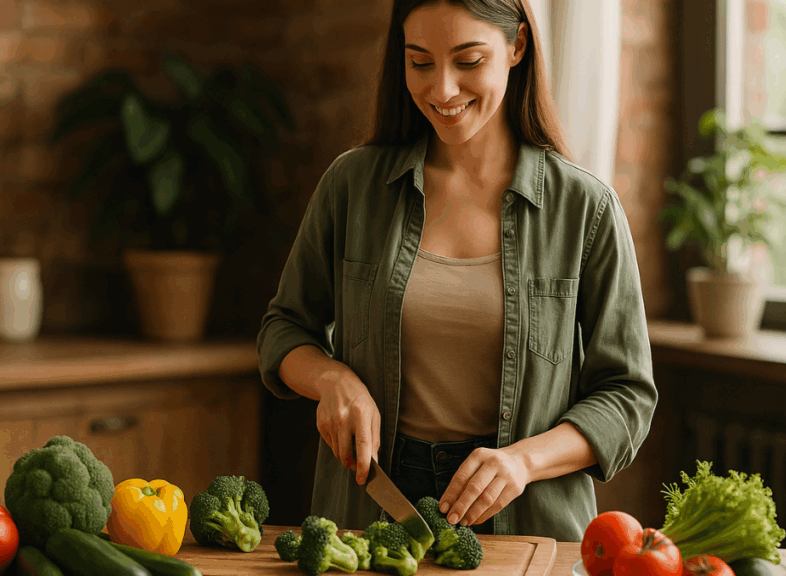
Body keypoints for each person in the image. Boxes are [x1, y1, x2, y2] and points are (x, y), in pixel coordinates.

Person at [257, 0, 656, 542]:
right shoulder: (351, 187)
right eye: (420, 63)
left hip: (526, 518)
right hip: (370, 513)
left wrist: (524, 462)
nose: (442, 90)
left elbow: (627, 397)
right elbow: (283, 330)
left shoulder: (587, 210)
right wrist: (332, 378)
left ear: (516, 47)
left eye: (468, 60)